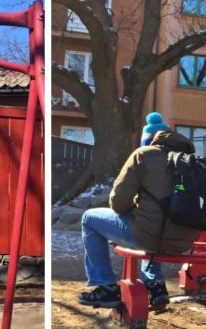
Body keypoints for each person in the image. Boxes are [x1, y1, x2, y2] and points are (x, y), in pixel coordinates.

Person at [79, 125, 199, 309]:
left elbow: (118, 203)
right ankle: (155, 285)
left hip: (149, 235)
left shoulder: (144, 155)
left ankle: (106, 286)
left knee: (89, 219)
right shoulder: (194, 163)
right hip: (185, 242)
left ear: (154, 140)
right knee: (153, 220)